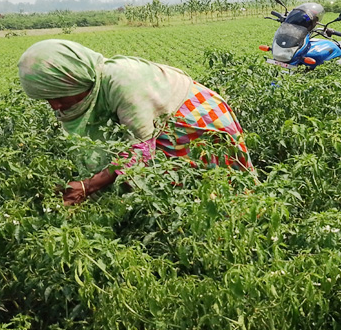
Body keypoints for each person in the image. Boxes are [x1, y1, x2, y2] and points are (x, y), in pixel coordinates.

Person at [18, 39, 253, 206]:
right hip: (159, 128)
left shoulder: (124, 82)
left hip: (193, 123)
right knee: (169, 186)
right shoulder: (96, 86)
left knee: (218, 188)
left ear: (75, 80)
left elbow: (139, 151)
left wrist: (89, 186)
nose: (55, 106)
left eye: (58, 96)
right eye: (47, 99)